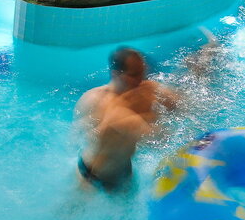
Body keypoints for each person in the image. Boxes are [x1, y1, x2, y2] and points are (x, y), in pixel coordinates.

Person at [73, 47, 179, 189]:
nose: (141, 79)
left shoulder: (143, 89)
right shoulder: (97, 101)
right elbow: (158, 139)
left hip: (124, 175)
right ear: (116, 74)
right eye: (134, 75)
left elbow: (181, 103)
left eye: (143, 72)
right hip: (92, 181)